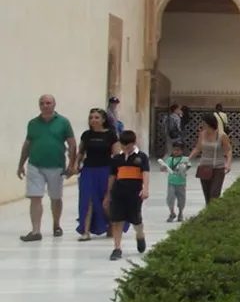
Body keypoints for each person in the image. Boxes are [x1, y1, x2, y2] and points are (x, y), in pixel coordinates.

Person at [17, 94, 77, 242]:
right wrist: (21, 164)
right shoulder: (33, 123)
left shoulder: (63, 122)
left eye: (48, 103)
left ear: (54, 105)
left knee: (56, 197)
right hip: (35, 164)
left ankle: (56, 225)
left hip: (56, 165)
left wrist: (72, 164)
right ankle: (36, 231)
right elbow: (27, 143)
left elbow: (72, 143)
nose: (45, 105)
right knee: (35, 197)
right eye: (42, 103)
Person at [103, 129, 150, 261]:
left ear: (133, 143)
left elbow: (145, 173)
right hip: (118, 192)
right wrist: (108, 194)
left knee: (136, 219)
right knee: (117, 220)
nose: (125, 148)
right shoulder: (117, 159)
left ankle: (140, 234)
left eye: (128, 146)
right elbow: (112, 177)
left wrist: (145, 189)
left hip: (134, 193)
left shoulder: (141, 157)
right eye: (123, 145)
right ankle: (117, 248)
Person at [77, 107, 120, 240]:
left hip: (106, 170)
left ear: (103, 120)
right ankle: (85, 231)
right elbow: (81, 152)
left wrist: (118, 171)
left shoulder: (111, 135)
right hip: (88, 171)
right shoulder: (86, 135)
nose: (93, 120)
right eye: (91, 118)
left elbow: (116, 154)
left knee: (105, 201)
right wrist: (75, 165)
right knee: (87, 200)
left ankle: (111, 224)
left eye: (96, 118)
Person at [189, 113, 233, 204]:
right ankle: (208, 214)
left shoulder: (222, 135)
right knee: (207, 195)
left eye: (204, 123)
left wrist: (228, 164)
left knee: (214, 194)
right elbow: (197, 148)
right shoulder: (202, 134)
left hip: (218, 167)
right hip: (204, 166)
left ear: (210, 123)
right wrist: (188, 159)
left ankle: (214, 214)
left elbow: (228, 150)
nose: (202, 125)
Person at [158, 141, 191, 222]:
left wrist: (184, 168)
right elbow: (164, 168)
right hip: (171, 183)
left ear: (182, 151)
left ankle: (180, 213)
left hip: (181, 183)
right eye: (175, 150)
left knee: (181, 200)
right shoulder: (169, 159)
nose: (176, 152)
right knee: (170, 199)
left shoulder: (185, 159)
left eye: (178, 150)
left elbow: (188, 166)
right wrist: (163, 168)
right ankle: (172, 212)